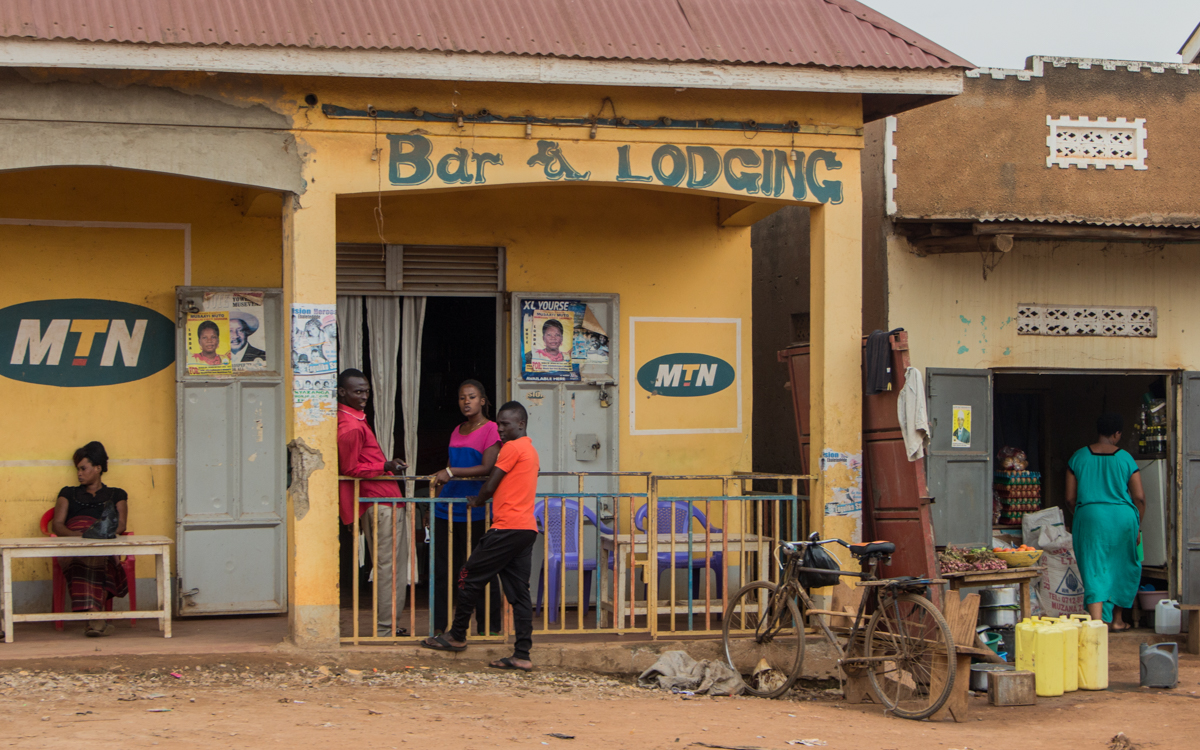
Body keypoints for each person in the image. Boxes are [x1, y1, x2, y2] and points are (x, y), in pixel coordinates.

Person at [422, 401, 539, 671]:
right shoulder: (531, 450)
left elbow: (491, 481)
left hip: (506, 527)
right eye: (498, 423)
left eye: (506, 424)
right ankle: (522, 654)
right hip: (525, 530)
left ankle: (457, 635)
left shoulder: (512, 448)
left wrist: (477, 500)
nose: (500, 429)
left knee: (467, 576)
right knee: (520, 595)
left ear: (520, 424)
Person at [337, 368, 410, 637]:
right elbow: (351, 468)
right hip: (380, 504)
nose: (364, 396)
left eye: (366, 391)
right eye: (358, 391)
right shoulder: (349, 426)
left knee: (389, 566)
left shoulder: (353, 420)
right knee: (388, 568)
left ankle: (387, 626)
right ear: (342, 392)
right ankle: (384, 629)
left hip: (382, 502)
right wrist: (386, 465)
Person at [428, 380, 503, 635]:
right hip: (447, 509)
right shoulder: (457, 429)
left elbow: (487, 467)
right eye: (462, 398)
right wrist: (433, 502)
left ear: (482, 400)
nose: (466, 402)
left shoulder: (492, 429)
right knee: (443, 572)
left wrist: (451, 471)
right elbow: (445, 473)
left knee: (480, 571)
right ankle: (440, 628)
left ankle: (488, 629)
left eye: (471, 397)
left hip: (476, 510)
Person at [1066, 413, 1146, 631]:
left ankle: (1097, 623)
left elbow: (1070, 498)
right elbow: (1139, 497)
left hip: (1090, 516)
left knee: (1093, 567)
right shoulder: (1125, 458)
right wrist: (1138, 524)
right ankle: (1117, 621)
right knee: (1122, 566)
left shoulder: (1078, 457)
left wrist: (1084, 515)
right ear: (1117, 433)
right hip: (1123, 518)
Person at [52, 441, 129, 637]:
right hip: (73, 545)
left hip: (104, 544)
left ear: (98, 468)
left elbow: (120, 526)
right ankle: (96, 619)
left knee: (101, 558)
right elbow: (57, 525)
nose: (79, 473)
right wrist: (81, 537)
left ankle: (93, 618)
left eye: (83, 468)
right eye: (77, 469)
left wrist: (96, 536)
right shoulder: (67, 493)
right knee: (84, 558)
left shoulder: (117, 495)